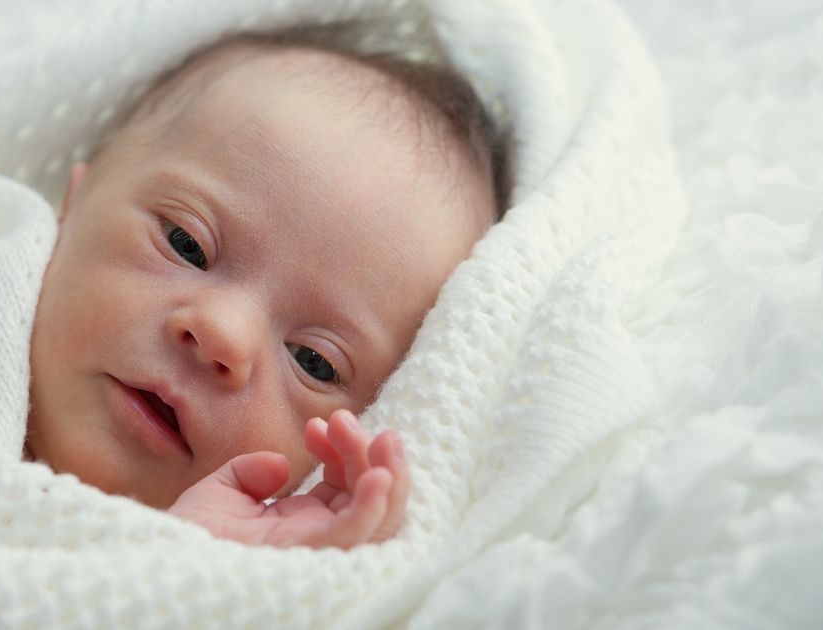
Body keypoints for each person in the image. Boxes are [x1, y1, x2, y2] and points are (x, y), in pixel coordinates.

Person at [25, 23, 506, 549]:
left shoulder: (210, 571)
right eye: (187, 244)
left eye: (313, 360)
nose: (223, 334)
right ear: (72, 204)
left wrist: (190, 561)